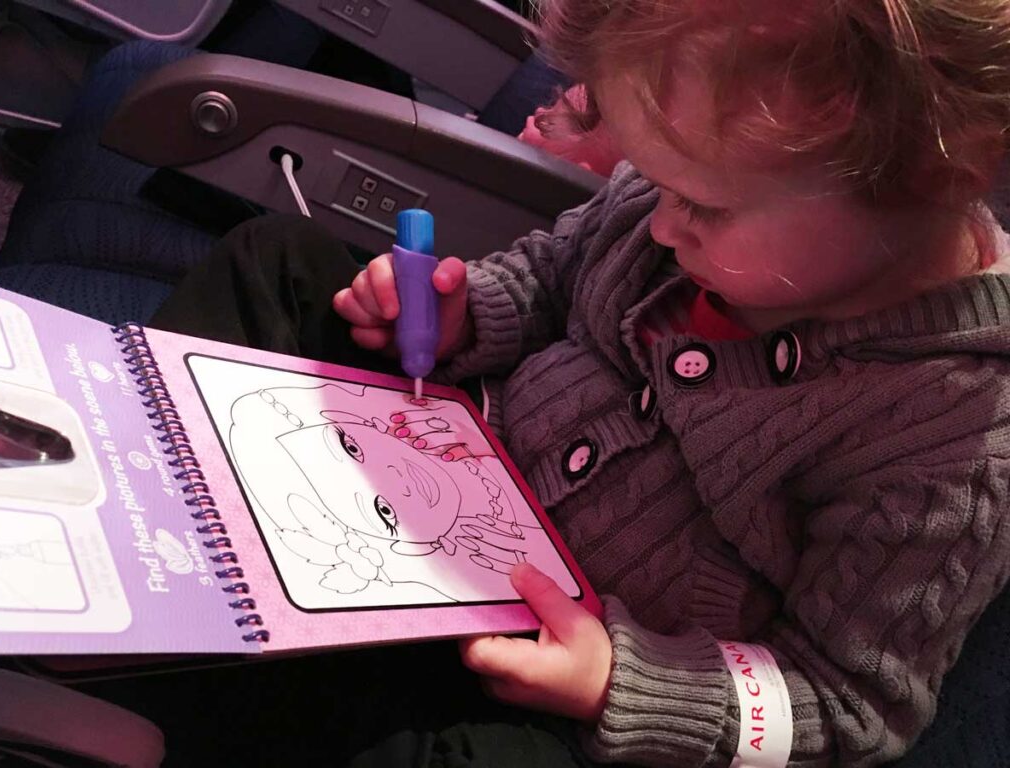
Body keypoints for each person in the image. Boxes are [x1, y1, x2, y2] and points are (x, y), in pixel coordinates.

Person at [150, 1, 1010, 765]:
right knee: (279, 262)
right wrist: (465, 316)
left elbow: (848, 708)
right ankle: (166, 526)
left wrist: (616, 683)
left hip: (550, 669)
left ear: (926, 183)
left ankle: (179, 693)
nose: (660, 223)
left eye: (702, 206)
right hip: (453, 462)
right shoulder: (675, 191)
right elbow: (554, 273)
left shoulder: (947, 447)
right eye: (651, 180)